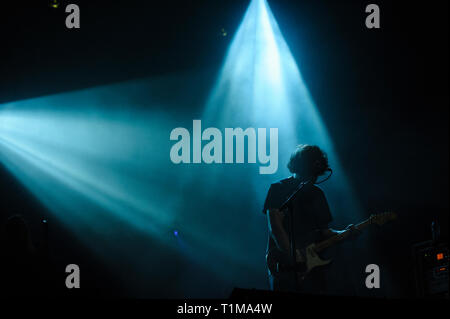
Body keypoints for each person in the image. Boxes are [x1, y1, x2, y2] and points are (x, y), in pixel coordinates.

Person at [263, 145, 357, 294]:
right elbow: (275, 227)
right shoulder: (278, 188)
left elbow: (324, 232)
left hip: (312, 267)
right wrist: (293, 256)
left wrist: (345, 233)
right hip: (284, 265)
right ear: (303, 164)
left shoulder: (318, 193)